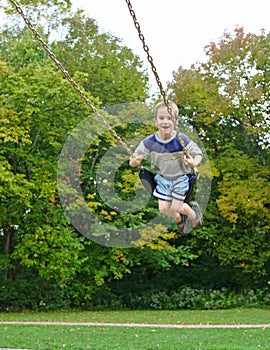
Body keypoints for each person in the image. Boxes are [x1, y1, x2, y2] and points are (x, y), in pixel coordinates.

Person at [129, 101, 203, 233]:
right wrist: (136, 161)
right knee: (163, 209)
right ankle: (179, 219)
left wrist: (194, 163)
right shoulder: (149, 142)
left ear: (175, 121)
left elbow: (198, 154)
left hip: (180, 177)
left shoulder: (181, 140)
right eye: (161, 118)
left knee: (175, 207)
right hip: (162, 178)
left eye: (170, 118)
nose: (165, 122)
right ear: (155, 121)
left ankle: (193, 214)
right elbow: (132, 162)